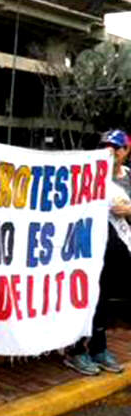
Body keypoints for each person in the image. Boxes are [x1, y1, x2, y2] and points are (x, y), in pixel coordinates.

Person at [64, 129, 130, 376]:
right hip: (87, 249)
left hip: (117, 250)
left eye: (116, 147)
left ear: (126, 151)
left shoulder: (128, 177)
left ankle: (99, 348)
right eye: (105, 146)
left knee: (103, 300)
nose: (109, 152)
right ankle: (76, 349)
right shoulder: (88, 174)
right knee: (84, 297)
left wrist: (129, 210)